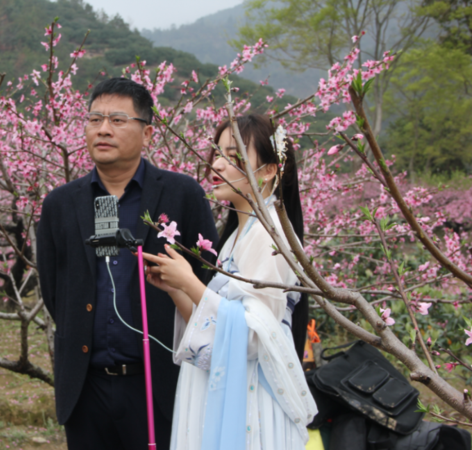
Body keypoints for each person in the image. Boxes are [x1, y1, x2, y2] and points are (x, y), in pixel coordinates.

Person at [36, 77, 219, 450]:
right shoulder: (62, 203)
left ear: (148, 133)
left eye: (118, 120)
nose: (103, 129)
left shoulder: (182, 194)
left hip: (160, 385)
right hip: (86, 388)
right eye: (94, 119)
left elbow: (207, 282)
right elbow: (55, 292)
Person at [142, 114, 317, 450]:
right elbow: (213, 323)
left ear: (268, 170)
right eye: (217, 154)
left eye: (233, 156)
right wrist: (178, 288)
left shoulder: (270, 236)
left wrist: (192, 282)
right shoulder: (238, 235)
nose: (217, 165)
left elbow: (254, 336)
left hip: (251, 396)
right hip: (227, 385)